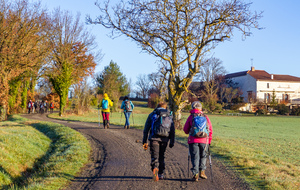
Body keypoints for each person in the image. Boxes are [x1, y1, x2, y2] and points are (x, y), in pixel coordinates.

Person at [142, 102, 175, 181]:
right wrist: (172, 141)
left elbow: (146, 129)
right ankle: (161, 174)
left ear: (157, 107)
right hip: (165, 139)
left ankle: (155, 171)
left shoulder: (152, 114)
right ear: (165, 107)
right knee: (161, 155)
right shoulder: (169, 115)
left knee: (154, 156)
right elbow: (172, 130)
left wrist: (144, 141)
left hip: (154, 138)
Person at [183, 101, 213, 182]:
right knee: (203, 156)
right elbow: (210, 130)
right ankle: (202, 172)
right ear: (201, 108)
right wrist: (209, 141)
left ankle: (195, 174)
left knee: (195, 157)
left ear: (192, 108)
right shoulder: (206, 117)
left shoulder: (191, 117)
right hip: (204, 140)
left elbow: (185, 130)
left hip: (193, 140)